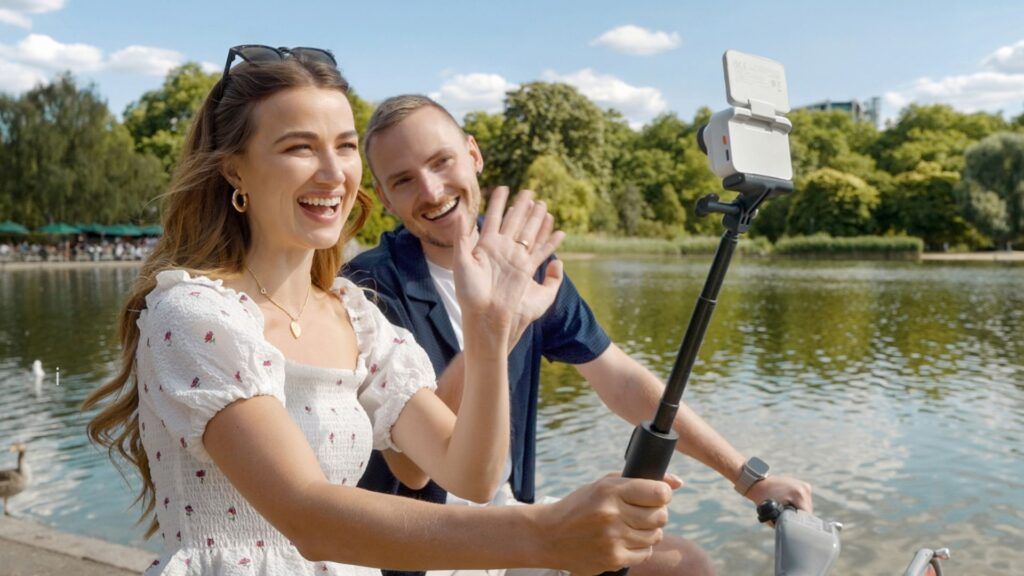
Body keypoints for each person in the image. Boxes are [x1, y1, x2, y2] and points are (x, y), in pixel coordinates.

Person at [83, 46, 677, 576]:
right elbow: (308, 515)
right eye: (299, 148)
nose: (334, 172)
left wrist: (491, 327)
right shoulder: (193, 314)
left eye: (344, 146)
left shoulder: (354, 314)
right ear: (234, 169)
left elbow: (468, 473)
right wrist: (542, 536)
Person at [345, 95, 817, 576]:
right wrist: (500, 323)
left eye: (441, 161)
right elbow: (414, 468)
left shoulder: (524, 260)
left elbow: (621, 380)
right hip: (428, 549)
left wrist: (749, 478)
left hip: (513, 520)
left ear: (473, 155)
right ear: (384, 198)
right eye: (403, 180)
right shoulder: (368, 289)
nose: (430, 189)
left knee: (685, 566)